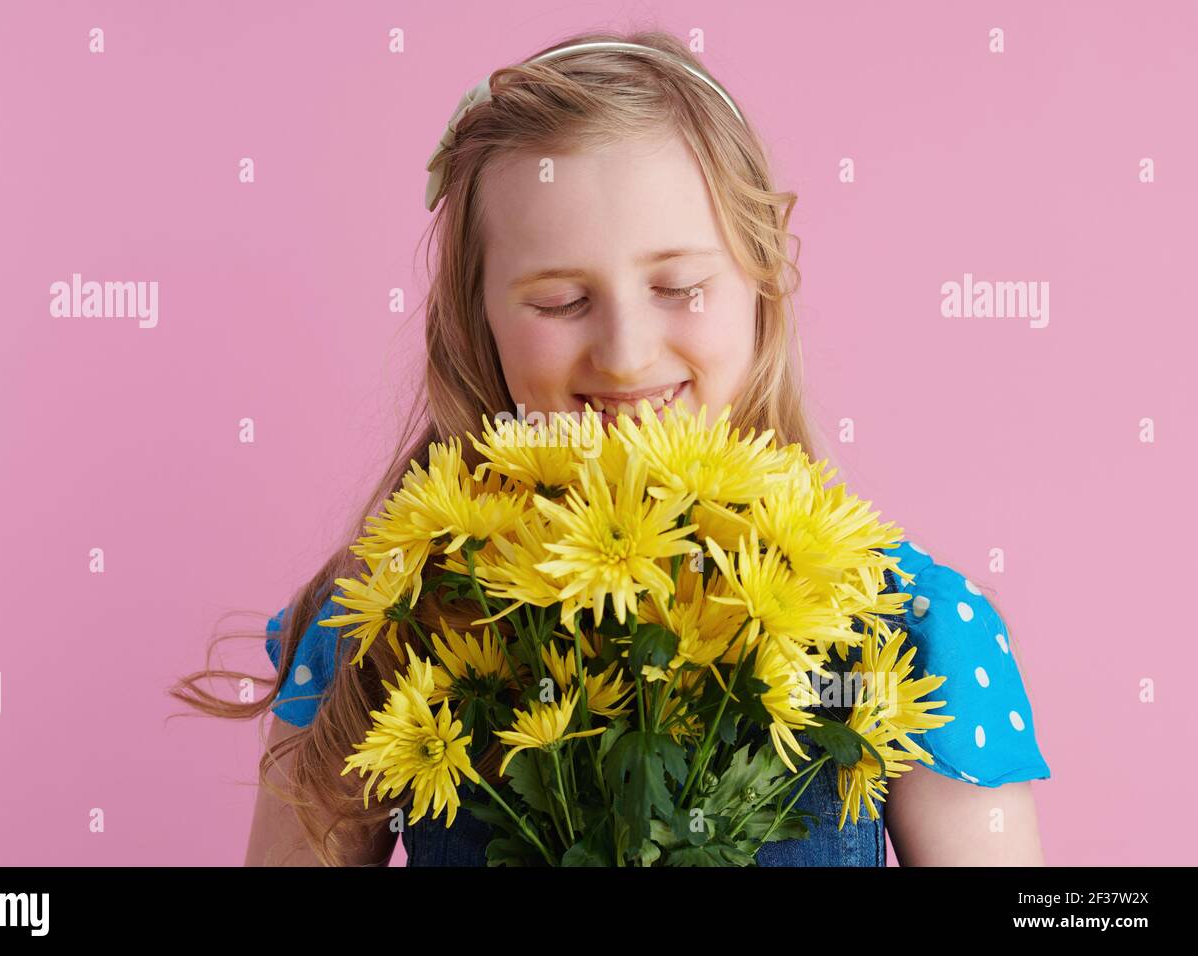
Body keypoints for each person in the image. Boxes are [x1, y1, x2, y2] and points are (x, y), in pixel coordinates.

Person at [174, 30, 1050, 867]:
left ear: (764, 277)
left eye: (678, 286)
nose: (626, 353)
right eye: (559, 301)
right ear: (477, 320)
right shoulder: (371, 631)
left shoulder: (913, 635)